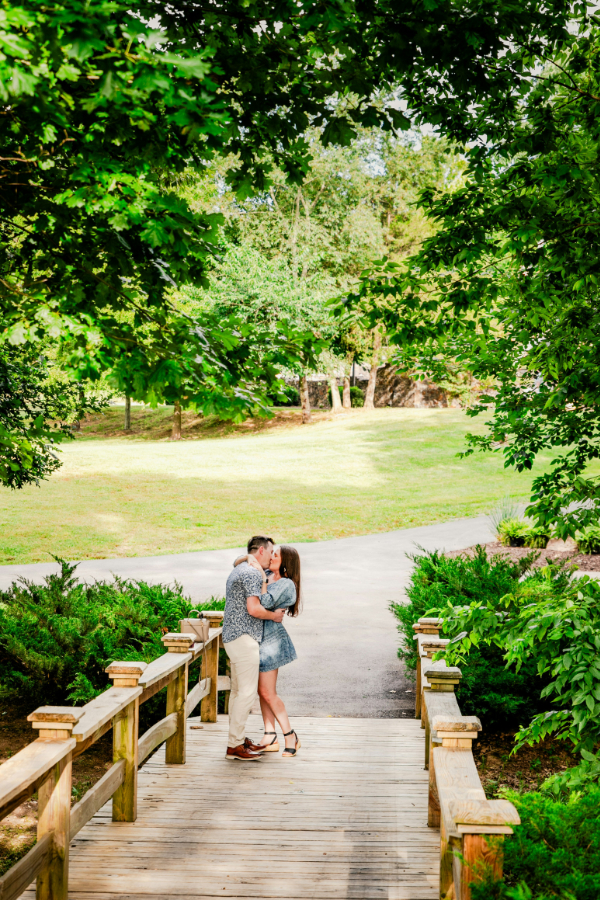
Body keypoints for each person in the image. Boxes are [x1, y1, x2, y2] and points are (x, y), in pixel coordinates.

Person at [222, 535, 286, 761]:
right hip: (244, 638)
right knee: (246, 693)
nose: (271, 557)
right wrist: (275, 616)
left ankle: (236, 741)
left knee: (238, 692)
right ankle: (235, 746)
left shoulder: (242, 568)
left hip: (233, 637)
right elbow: (254, 608)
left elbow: (240, 560)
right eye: (270, 552)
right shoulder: (250, 572)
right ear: (260, 551)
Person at [235, 544, 302, 758]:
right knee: (261, 692)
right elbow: (236, 562)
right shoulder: (265, 573)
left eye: (276, 555)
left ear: (286, 562)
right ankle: (270, 735)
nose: (272, 557)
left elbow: (263, 602)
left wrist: (262, 582)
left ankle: (290, 735)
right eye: (271, 553)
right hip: (257, 641)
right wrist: (250, 558)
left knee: (267, 692)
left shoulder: (286, 584)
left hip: (272, 643)